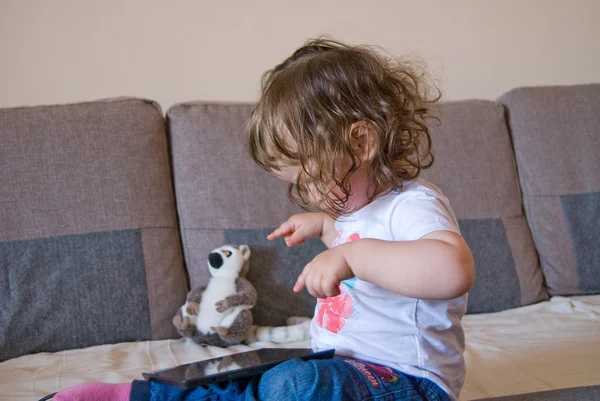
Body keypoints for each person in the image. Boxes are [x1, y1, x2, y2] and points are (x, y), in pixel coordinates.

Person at [52, 37, 475, 401]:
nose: (307, 192)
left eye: (308, 178)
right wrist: (326, 228)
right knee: (252, 376)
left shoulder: (413, 203)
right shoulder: (350, 216)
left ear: (361, 142)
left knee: (293, 386)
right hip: (345, 371)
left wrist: (352, 255)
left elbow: (452, 269)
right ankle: (148, 394)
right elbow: (366, 246)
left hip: (409, 382)